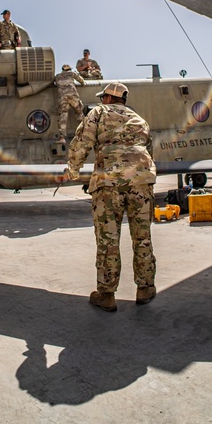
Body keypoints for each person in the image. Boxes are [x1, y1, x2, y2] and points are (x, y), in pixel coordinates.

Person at [64, 82, 157, 312]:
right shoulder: (139, 119)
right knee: (142, 237)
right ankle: (145, 288)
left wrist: (72, 170)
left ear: (107, 98)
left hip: (109, 184)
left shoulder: (99, 112)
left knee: (108, 240)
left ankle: (106, 294)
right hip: (141, 183)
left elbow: (82, 141)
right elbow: (149, 149)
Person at [52, 64, 86, 143]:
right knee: (79, 113)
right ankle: (86, 132)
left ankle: (62, 138)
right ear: (69, 69)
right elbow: (81, 81)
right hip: (73, 96)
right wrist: (83, 83)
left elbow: (53, 82)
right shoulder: (72, 73)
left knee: (63, 116)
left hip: (63, 98)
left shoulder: (57, 76)